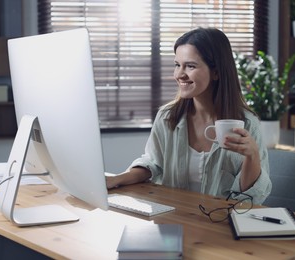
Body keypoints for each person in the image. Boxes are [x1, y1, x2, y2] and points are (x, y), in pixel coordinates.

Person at [106, 27, 271, 205]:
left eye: (190, 66)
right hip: (173, 217)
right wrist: (117, 180)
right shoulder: (167, 117)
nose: (179, 75)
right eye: (177, 65)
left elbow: (251, 198)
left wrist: (252, 156)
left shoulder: (246, 123)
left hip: (221, 222)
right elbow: (153, 163)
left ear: (216, 72)